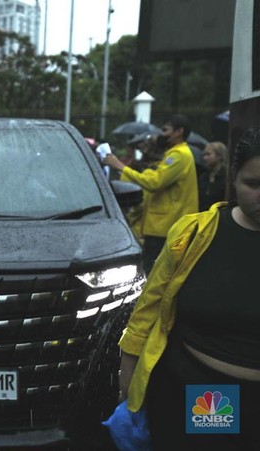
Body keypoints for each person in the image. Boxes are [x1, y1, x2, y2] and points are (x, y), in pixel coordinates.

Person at [118, 127, 260, 449]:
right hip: (209, 397)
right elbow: (148, 308)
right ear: (234, 179)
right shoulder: (195, 234)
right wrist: (128, 371)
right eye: (254, 184)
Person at [104, 114, 198, 273]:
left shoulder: (179, 155)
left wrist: (120, 166)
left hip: (164, 226)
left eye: (165, 130)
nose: (161, 134)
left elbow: (154, 183)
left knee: (152, 272)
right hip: (160, 225)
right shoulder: (174, 154)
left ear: (179, 132)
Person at [198, 141, 228, 211]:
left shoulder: (227, 178)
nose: (205, 158)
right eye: (204, 155)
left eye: (208, 154)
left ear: (219, 156)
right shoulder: (204, 177)